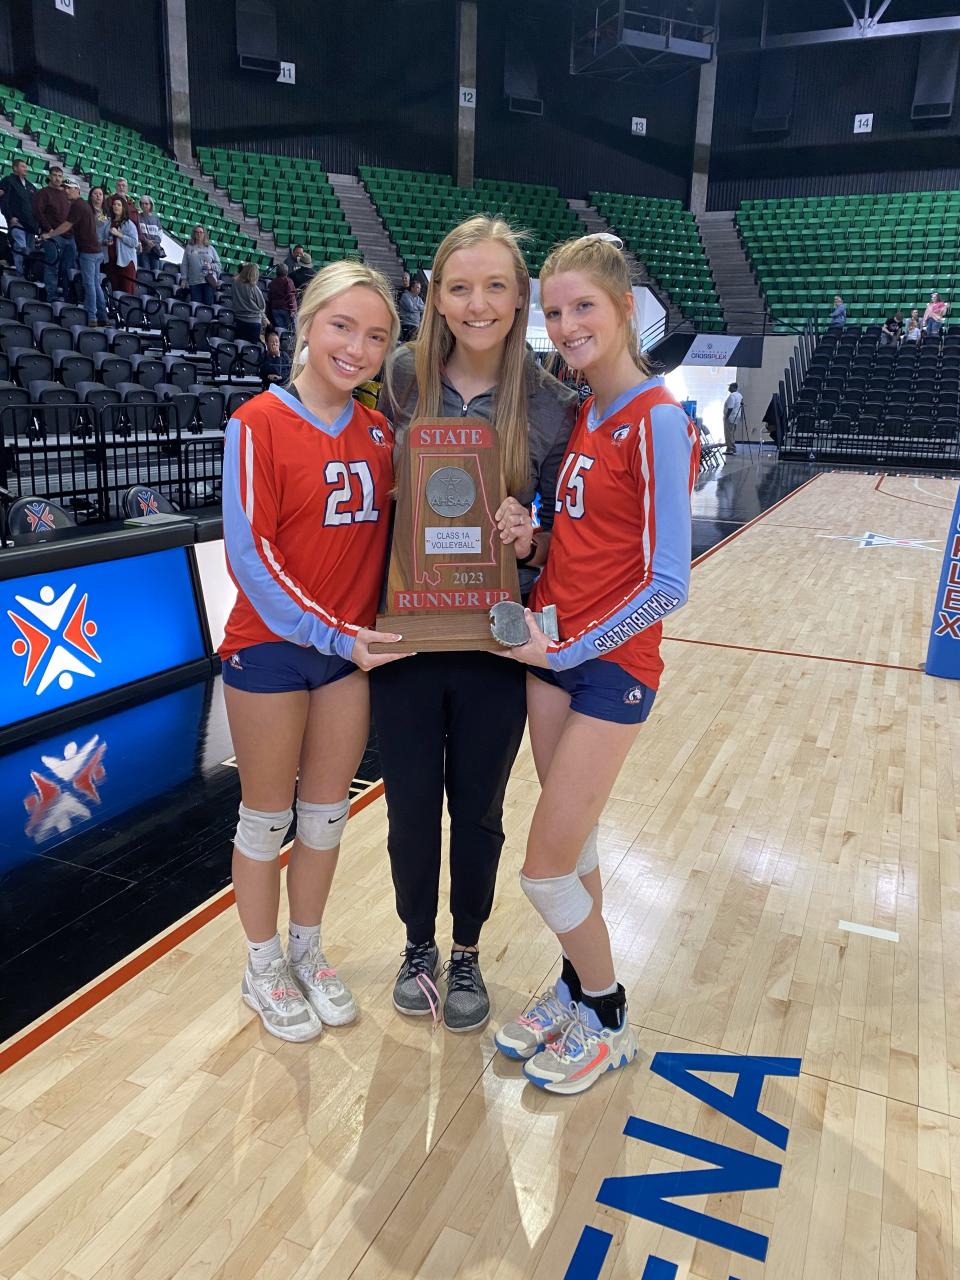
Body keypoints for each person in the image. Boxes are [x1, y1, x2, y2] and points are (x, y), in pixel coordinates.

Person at [493, 233, 698, 1094]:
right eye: (554, 310)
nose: (567, 324)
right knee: (571, 846)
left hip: (609, 667)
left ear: (623, 310)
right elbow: (583, 541)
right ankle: (575, 994)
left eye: (584, 307)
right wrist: (531, 536)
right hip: (554, 654)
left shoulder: (656, 416)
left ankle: (608, 1014)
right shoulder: (586, 412)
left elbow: (667, 584)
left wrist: (566, 646)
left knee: (542, 865)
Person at [371, 215, 578, 1033]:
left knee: (480, 808)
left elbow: (573, 533)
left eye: (496, 285)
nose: (477, 302)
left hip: (498, 639)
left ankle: (465, 950)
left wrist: (536, 536)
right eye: (460, 286)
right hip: (408, 634)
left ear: (520, 296)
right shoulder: (399, 378)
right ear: (436, 293)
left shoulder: (556, 404)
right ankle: (415, 944)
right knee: (410, 804)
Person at [219, 261, 405, 1042]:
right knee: (266, 821)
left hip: (345, 661)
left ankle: (308, 950)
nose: (356, 348)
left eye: (375, 336)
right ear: (306, 326)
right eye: (342, 326)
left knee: (325, 819)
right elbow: (250, 557)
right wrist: (334, 635)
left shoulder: (380, 434)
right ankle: (261, 964)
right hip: (271, 653)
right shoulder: (256, 422)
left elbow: (416, 538)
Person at [41, 177, 108, 326]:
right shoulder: (82, 205)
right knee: (96, 285)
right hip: (96, 251)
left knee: (90, 284)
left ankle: (92, 317)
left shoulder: (78, 205)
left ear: (77, 190)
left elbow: (67, 225)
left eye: (68, 188)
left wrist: (50, 234)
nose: (65, 190)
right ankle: (103, 316)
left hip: (88, 252)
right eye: (64, 188)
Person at [32, 166, 76, 300]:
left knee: (68, 269)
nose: (57, 178)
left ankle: (67, 295)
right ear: (49, 177)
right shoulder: (43, 193)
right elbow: (38, 212)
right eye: (55, 175)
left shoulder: (65, 194)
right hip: (52, 235)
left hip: (69, 237)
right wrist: (49, 230)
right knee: (52, 266)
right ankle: (51, 296)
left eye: (60, 176)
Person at [0, 157, 37, 274]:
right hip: (17, 221)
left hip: (31, 224)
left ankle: (28, 273)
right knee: (20, 247)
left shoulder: (31, 186)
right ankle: (20, 273)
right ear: (15, 168)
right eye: (22, 166)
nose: (25, 169)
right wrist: (10, 217)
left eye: (26, 167)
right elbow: (4, 200)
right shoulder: (8, 180)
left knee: (29, 251)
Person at [104, 194, 139, 295]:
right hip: (111, 262)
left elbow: (134, 242)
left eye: (119, 205)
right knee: (114, 292)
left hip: (126, 263)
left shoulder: (129, 224)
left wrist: (119, 234)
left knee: (126, 292)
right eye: (114, 204)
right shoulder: (108, 223)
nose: (116, 206)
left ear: (123, 208)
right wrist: (106, 242)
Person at [180, 225, 221, 305]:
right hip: (194, 282)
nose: (199, 234)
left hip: (208, 281)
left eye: (201, 232)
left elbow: (219, 265)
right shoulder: (189, 248)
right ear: (194, 234)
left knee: (207, 306)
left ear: (204, 234)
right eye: (197, 232)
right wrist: (184, 279)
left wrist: (211, 266)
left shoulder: (210, 248)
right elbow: (185, 264)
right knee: (196, 306)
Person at [231, 261, 266, 343]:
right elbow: (262, 305)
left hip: (238, 319)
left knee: (239, 346)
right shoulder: (254, 288)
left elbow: (237, 274)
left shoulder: (235, 283)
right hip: (253, 322)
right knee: (250, 350)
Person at [266, 262, 297, 331]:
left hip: (275, 308)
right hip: (285, 308)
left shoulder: (272, 282)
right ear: (286, 272)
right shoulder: (289, 281)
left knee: (278, 328)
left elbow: (270, 297)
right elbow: (290, 296)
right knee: (286, 329)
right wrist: (293, 309)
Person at [138, 195, 164, 272]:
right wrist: (146, 242)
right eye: (142, 203)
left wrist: (154, 243)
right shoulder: (138, 217)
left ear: (150, 205)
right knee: (145, 272)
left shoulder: (156, 219)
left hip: (155, 250)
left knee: (156, 272)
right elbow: (138, 232)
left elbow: (160, 233)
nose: (144, 205)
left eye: (146, 203)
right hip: (144, 250)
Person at [722, 381, 743, 456]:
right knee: (732, 433)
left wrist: (726, 417)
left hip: (730, 417)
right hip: (736, 416)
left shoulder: (732, 396)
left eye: (730, 386)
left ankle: (730, 449)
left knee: (728, 433)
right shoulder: (739, 395)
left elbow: (730, 408)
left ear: (734, 388)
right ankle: (732, 448)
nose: (729, 388)